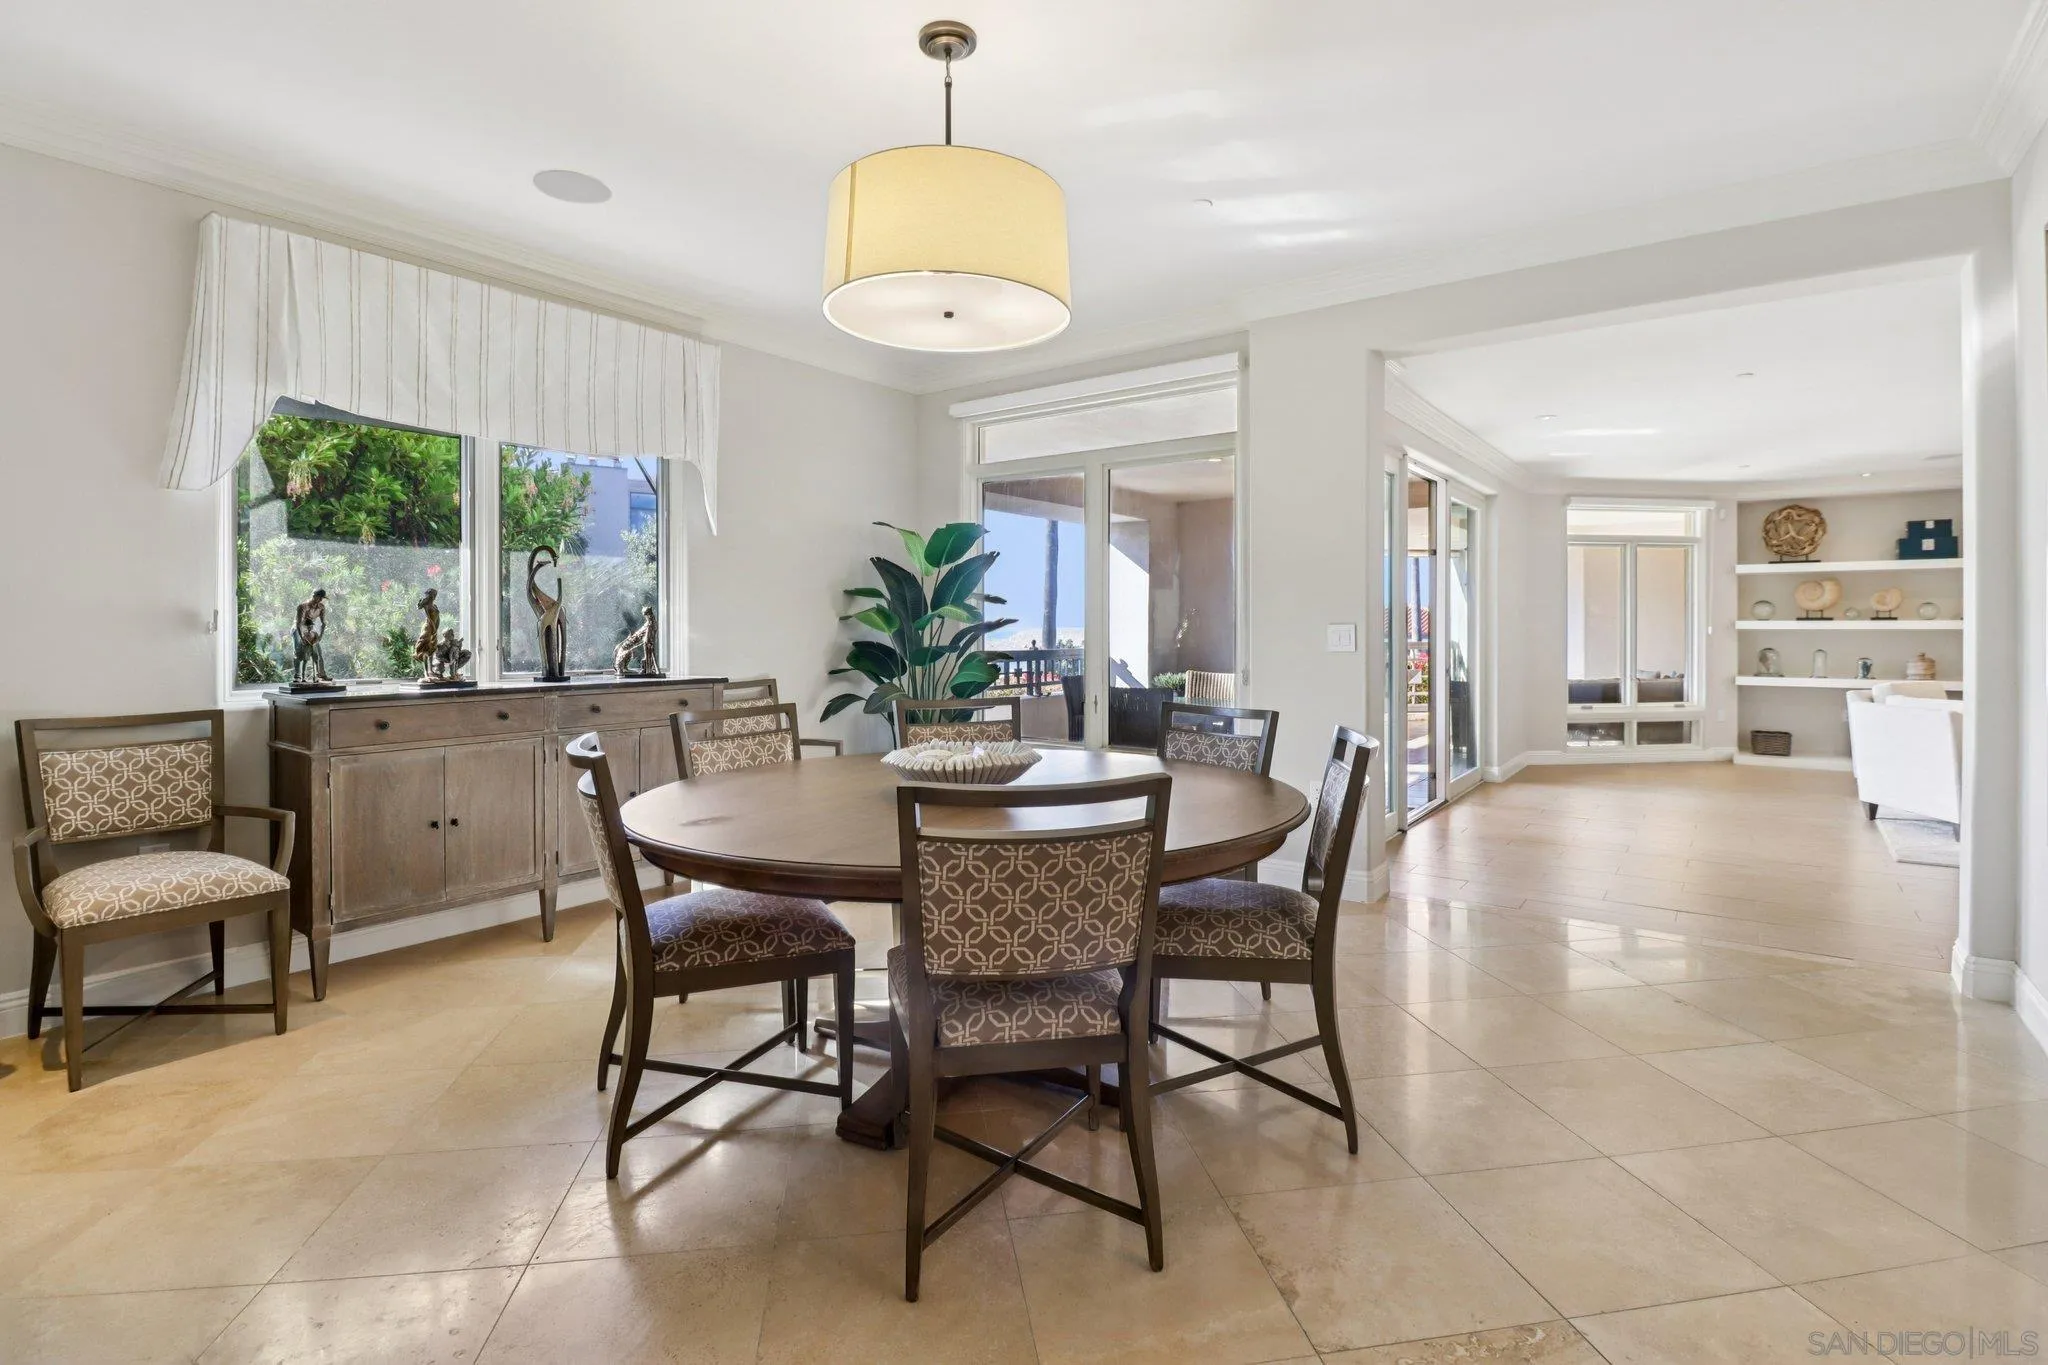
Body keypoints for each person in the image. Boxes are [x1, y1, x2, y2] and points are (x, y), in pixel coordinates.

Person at [293, 589, 333, 684]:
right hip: (298, 629)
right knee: (299, 652)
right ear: (314, 596)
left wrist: (320, 637)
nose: (320, 600)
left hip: (310, 629)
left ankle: (321, 674)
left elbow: (324, 623)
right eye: (319, 597)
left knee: (317, 652)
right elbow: (298, 624)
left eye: (322, 598)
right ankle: (297, 676)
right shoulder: (303, 606)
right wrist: (302, 637)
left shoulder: (321, 607)